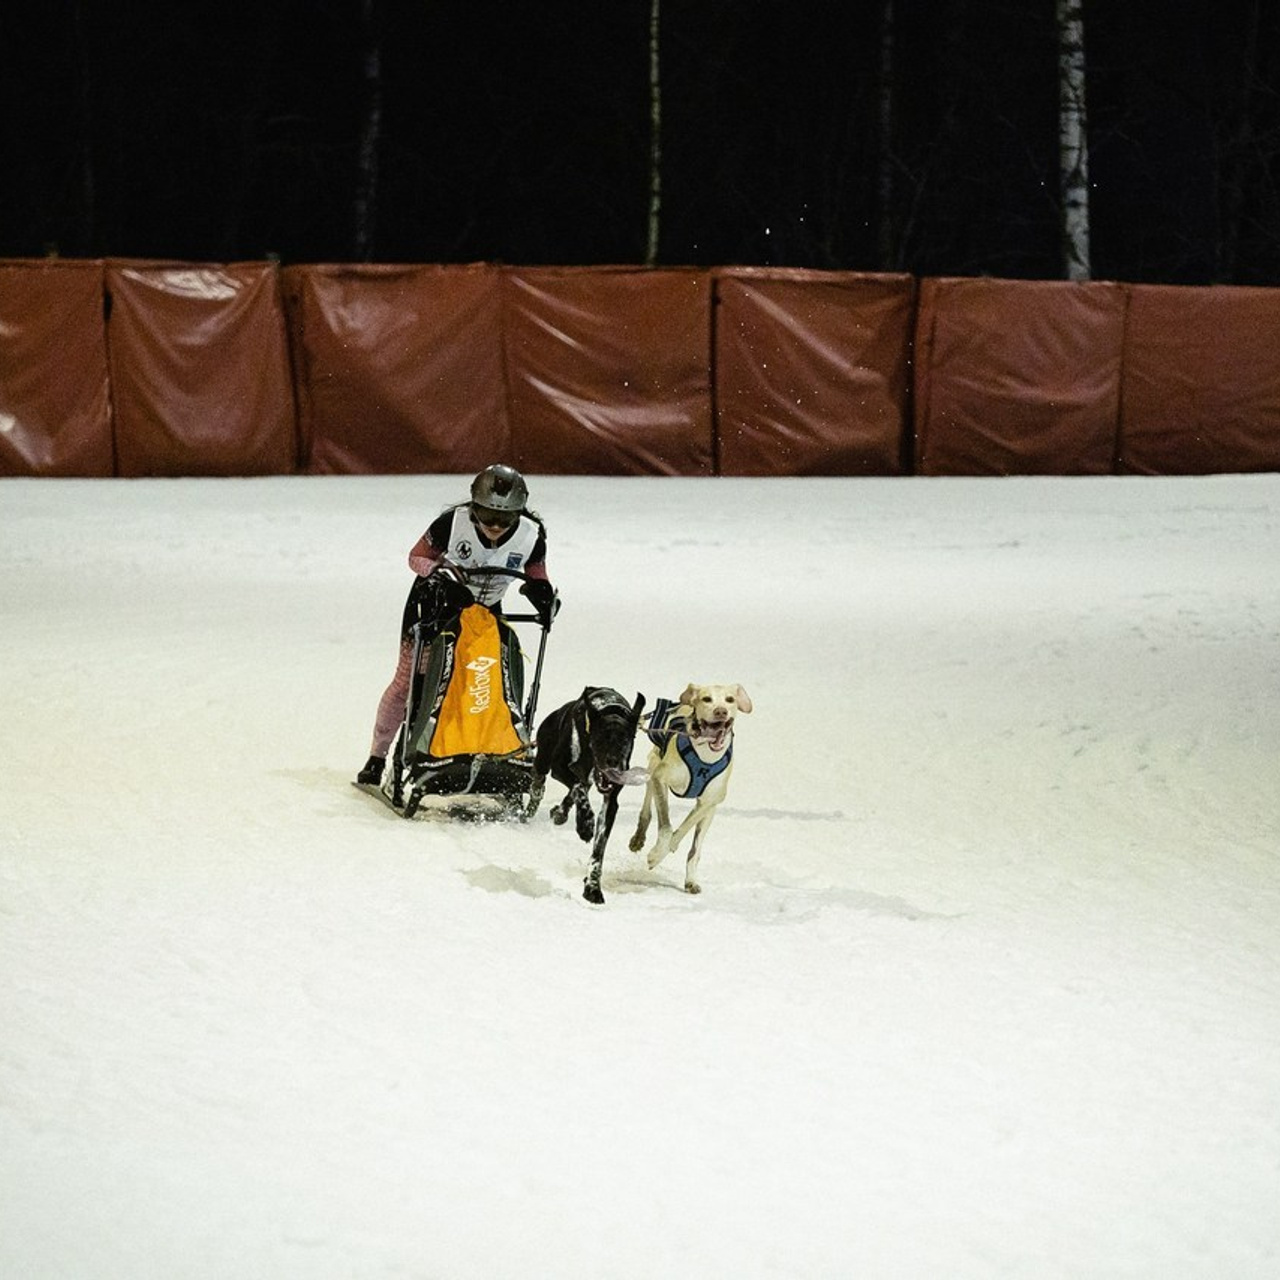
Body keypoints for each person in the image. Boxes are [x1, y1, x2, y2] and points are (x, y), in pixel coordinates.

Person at [357, 464, 557, 785]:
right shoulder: (452, 523)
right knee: (409, 682)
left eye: (504, 519)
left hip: (485, 612)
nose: (494, 525)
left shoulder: (531, 536)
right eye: (486, 514)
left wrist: (542, 593)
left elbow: (537, 575)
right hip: (434, 606)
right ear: (473, 507)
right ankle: (378, 756)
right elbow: (416, 557)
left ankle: (469, 747)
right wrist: (441, 575)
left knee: (479, 679)